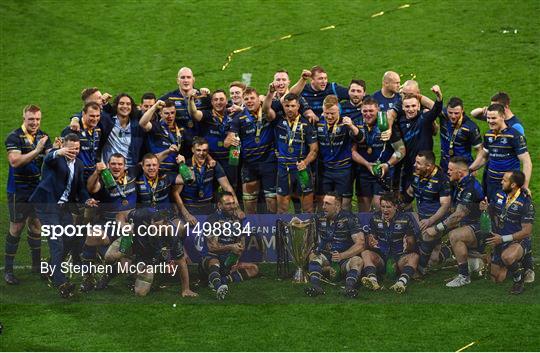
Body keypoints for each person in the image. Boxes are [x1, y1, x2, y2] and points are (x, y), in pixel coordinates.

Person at [29, 134, 98, 298]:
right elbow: (48, 159)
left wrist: (87, 199)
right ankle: (61, 282)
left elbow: (80, 187)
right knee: (57, 242)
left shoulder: (79, 164)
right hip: (47, 206)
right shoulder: (56, 159)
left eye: (77, 148)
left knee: (69, 239)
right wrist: (58, 152)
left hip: (64, 208)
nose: (74, 151)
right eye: (71, 148)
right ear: (64, 147)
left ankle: (50, 266)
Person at [4, 105, 53, 284]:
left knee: (36, 225)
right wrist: (37, 150)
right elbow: (15, 161)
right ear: (24, 118)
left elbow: (50, 158)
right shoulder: (14, 137)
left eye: (38, 119)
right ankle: (8, 270)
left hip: (37, 189)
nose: (35, 123)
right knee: (16, 228)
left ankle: (36, 266)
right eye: (31, 119)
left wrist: (56, 151)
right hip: (19, 190)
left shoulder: (43, 136)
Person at [422, 157, 485, 287]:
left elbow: (458, 215)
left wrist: (437, 228)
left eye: (450, 169)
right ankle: (423, 265)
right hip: (463, 224)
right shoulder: (458, 182)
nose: (448, 172)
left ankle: (464, 276)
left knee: (454, 235)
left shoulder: (470, 188)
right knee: (428, 234)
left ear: (460, 172)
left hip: (479, 227)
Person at [83, 154, 137, 291]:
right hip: (108, 224)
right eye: (113, 164)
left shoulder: (134, 178)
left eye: (120, 164)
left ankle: (108, 276)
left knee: (125, 265)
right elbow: (91, 188)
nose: (116, 167)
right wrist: (96, 172)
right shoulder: (103, 180)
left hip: (129, 226)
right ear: (108, 165)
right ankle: (88, 278)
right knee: (92, 236)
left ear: (125, 167)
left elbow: (152, 163)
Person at [304, 192, 364, 298]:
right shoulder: (319, 217)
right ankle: (315, 286)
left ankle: (349, 287)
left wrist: (342, 255)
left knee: (358, 261)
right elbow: (305, 228)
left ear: (337, 206)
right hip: (326, 256)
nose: (323, 207)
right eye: (323, 203)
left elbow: (360, 244)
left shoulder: (350, 218)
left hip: (343, 259)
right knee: (313, 255)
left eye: (327, 204)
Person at [200, 192, 258, 300]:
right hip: (211, 258)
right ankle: (218, 287)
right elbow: (213, 247)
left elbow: (239, 243)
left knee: (254, 269)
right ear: (219, 205)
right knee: (214, 262)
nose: (232, 206)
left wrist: (236, 258)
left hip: (228, 261)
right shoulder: (212, 220)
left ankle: (220, 280)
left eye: (233, 203)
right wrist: (231, 247)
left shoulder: (237, 220)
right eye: (227, 204)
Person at [228, 87, 278, 213]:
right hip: (249, 164)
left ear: (259, 100)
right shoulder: (238, 118)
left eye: (252, 98)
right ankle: (252, 230)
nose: (249, 101)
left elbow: (270, 113)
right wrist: (230, 140)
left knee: (272, 201)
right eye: (246, 99)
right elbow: (230, 136)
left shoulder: (267, 113)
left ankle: (273, 229)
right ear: (243, 101)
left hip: (269, 163)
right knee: (249, 203)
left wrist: (270, 93)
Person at [469, 103, 532, 202]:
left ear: (503, 116)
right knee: (491, 211)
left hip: (509, 185)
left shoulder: (515, 136)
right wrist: (469, 170)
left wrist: (524, 187)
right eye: (488, 118)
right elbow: (484, 157)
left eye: (493, 118)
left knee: (507, 214)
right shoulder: (488, 135)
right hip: (491, 183)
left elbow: (527, 162)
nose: (490, 121)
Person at [352, 97, 406, 211]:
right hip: (363, 172)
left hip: (382, 173)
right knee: (363, 210)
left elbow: (401, 150)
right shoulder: (356, 124)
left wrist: (387, 164)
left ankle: (383, 228)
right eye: (365, 111)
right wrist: (367, 164)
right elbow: (352, 151)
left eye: (371, 111)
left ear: (378, 110)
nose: (368, 114)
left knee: (380, 207)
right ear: (360, 110)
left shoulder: (386, 124)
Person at [402, 151, 451, 274]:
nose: (414, 165)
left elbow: (445, 206)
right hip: (421, 217)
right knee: (406, 234)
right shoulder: (416, 174)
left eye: (418, 163)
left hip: (437, 219)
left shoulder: (441, 179)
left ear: (429, 166)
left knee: (432, 255)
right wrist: (395, 207)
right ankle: (418, 256)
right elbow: (410, 194)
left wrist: (430, 221)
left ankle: (422, 267)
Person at [360, 193, 419, 293]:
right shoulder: (375, 218)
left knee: (415, 256)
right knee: (365, 253)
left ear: (396, 207)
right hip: (382, 257)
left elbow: (412, 245)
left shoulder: (405, 219)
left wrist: (408, 243)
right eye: (383, 207)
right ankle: (373, 280)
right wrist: (371, 242)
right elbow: (370, 240)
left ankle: (401, 283)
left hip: (399, 256)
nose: (385, 210)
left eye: (388, 207)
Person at [487, 171, 534, 294]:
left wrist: (502, 239)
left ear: (513, 185)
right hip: (499, 240)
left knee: (507, 256)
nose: (501, 182)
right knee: (496, 278)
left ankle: (518, 280)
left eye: (505, 180)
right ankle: (513, 264)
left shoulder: (525, 203)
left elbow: (527, 232)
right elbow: (492, 213)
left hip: (518, 240)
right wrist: (485, 207)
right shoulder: (498, 194)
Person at [273, 93, 318, 213]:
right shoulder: (277, 121)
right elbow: (266, 109)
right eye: (287, 106)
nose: (290, 109)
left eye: (293, 105)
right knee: (282, 209)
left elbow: (314, 150)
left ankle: (310, 232)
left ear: (298, 106)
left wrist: (305, 162)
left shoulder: (306, 124)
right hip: (284, 168)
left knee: (308, 208)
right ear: (283, 106)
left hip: (301, 168)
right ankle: (283, 232)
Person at [315, 95, 362, 210]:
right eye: (326, 113)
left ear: (339, 111)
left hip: (343, 169)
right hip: (325, 170)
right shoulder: (318, 123)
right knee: (324, 204)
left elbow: (360, 138)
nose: (329, 116)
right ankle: (325, 227)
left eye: (333, 113)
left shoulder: (346, 123)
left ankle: (344, 226)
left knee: (344, 205)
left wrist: (351, 126)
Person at [396, 85, 443, 192]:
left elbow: (436, 110)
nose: (410, 109)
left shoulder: (424, 117)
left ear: (418, 107)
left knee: (427, 195)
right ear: (403, 108)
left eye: (413, 106)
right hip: (408, 166)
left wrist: (439, 97)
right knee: (406, 196)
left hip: (425, 166)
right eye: (407, 107)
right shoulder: (400, 121)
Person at [188, 90, 238, 187]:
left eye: (221, 99)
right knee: (213, 188)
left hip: (231, 159)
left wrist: (240, 109)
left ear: (227, 101)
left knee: (231, 187)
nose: (218, 102)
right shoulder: (207, 115)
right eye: (215, 100)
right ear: (211, 102)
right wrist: (191, 99)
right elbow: (194, 113)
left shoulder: (234, 114)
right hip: (211, 159)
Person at [180, 137, 240, 217]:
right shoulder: (185, 167)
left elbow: (227, 187)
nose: (201, 153)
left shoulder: (214, 165)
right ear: (192, 150)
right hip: (190, 210)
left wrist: (238, 208)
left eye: (204, 150)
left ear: (208, 151)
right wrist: (186, 214)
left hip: (208, 210)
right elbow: (176, 193)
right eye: (198, 150)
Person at [160, 67, 211, 157]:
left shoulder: (203, 96)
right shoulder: (169, 98)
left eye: (188, 77)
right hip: (181, 144)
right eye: (182, 77)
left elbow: (218, 106)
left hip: (202, 144)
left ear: (193, 80)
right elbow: (154, 108)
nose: (186, 80)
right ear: (177, 80)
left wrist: (209, 94)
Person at [139, 99, 185, 173]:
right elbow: (142, 123)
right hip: (157, 170)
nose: (170, 116)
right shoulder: (156, 126)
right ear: (161, 114)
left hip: (174, 170)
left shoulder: (181, 130)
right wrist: (154, 107)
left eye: (172, 113)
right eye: (166, 113)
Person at [100, 93, 145, 168]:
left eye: (128, 104)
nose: (125, 106)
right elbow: (88, 113)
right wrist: (76, 118)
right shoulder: (108, 121)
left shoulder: (137, 126)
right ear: (116, 106)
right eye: (121, 103)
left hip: (129, 170)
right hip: (109, 169)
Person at [439, 97, 482, 172]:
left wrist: (473, 168)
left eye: (456, 113)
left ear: (462, 111)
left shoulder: (470, 127)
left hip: (462, 168)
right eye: (450, 112)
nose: (453, 116)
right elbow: (429, 104)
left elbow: (480, 150)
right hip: (444, 164)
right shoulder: (443, 115)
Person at [62, 102, 102, 181]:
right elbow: (62, 155)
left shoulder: (98, 130)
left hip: (91, 174)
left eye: (98, 116)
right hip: (75, 176)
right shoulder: (71, 130)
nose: (95, 119)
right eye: (92, 116)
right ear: (83, 114)